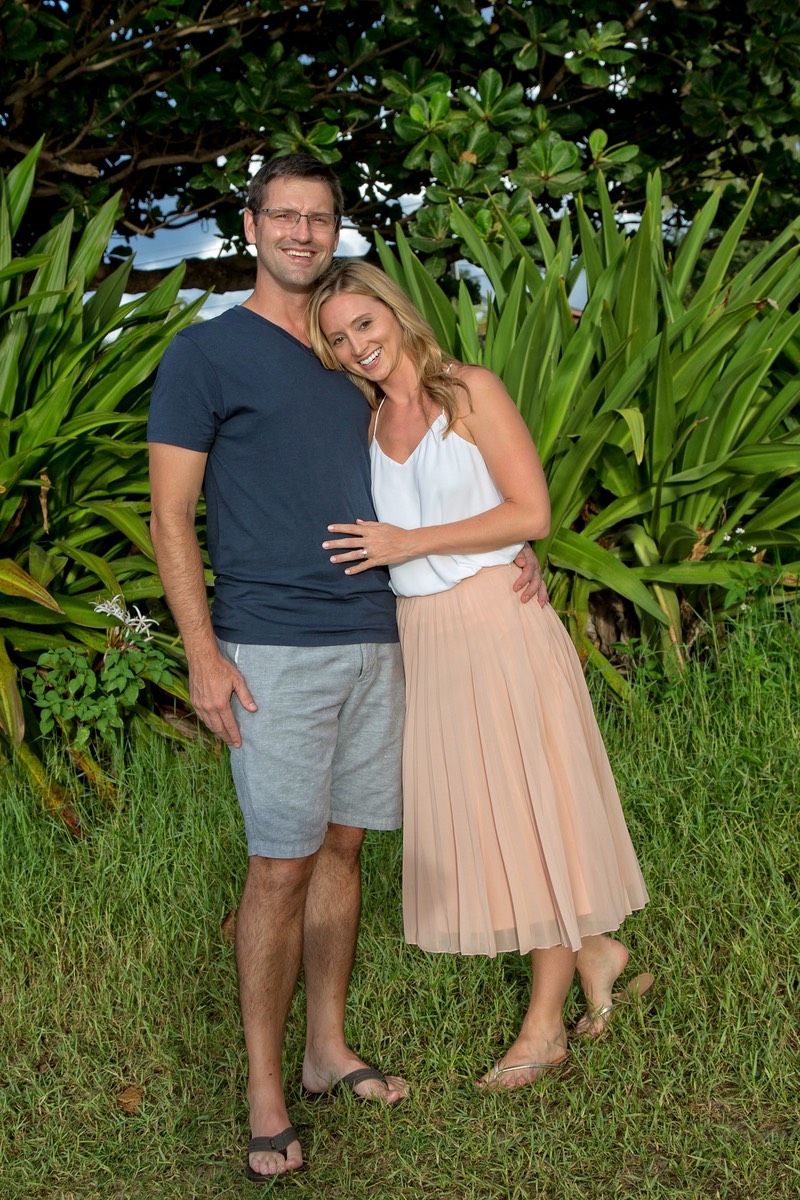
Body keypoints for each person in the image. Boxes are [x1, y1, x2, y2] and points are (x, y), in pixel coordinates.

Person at [147, 153, 546, 1179]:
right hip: (272, 646)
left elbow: (431, 467)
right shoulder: (205, 356)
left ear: (337, 233)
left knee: (341, 853)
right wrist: (200, 652)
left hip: (382, 637)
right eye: (281, 216)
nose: (299, 232)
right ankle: (266, 1087)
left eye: (317, 218)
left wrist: (511, 544)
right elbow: (169, 514)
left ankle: (326, 1047)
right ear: (249, 227)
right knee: (277, 866)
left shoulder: (345, 353)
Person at [307, 259, 652, 1090]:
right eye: (338, 337)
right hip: (426, 636)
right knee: (492, 810)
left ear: (395, 311)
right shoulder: (364, 427)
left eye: (365, 323)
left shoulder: (470, 391)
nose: (358, 344)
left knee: (532, 809)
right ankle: (595, 951)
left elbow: (530, 512)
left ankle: (544, 1029)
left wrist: (414, 544)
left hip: (500, 622)